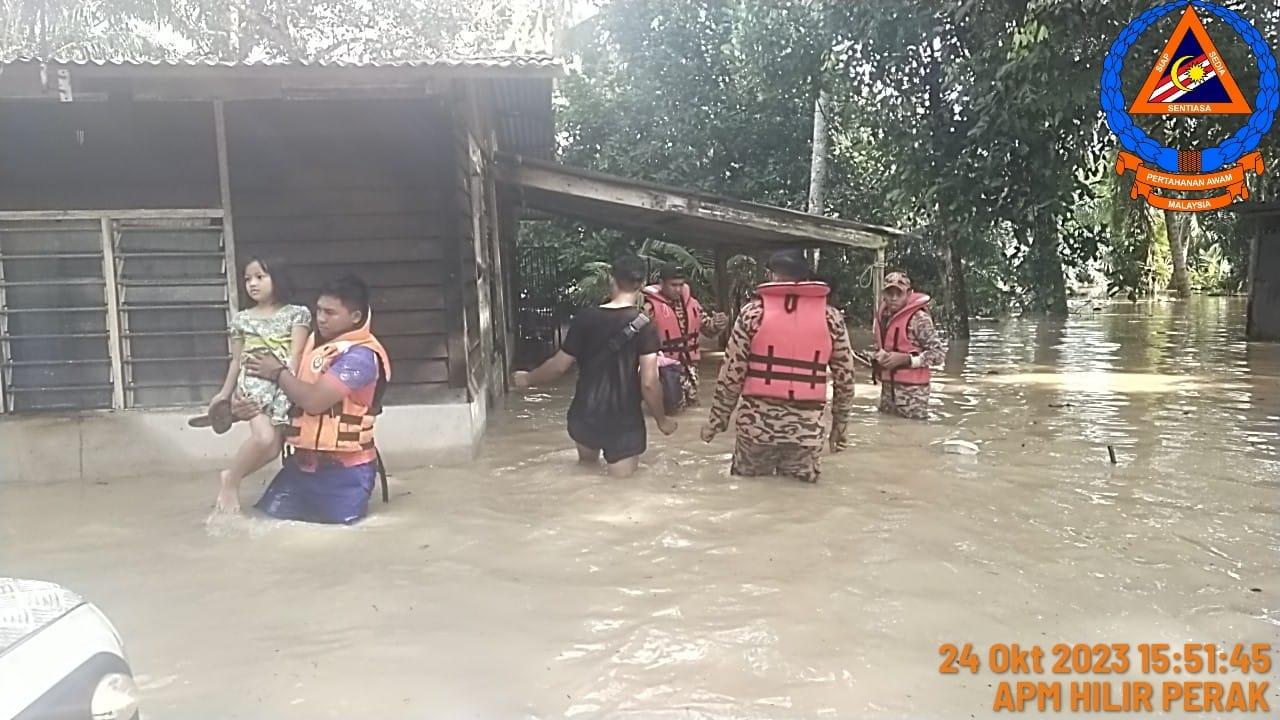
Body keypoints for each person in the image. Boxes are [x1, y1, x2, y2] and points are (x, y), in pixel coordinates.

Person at [231, 274, 391, 525]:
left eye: (330, 312)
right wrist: (244, 407)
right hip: (299, 469)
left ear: (355, 317)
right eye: (318, 310)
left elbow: (314, 402)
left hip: (346, 475)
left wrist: (276, 371)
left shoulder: (361, 357)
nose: (321, 318)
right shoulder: (308, 345)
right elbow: (277, 394)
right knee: (262, 521)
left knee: (338, 536)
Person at [699, 250, 856, 483]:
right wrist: (840, 427)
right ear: (805, 279)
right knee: (799, 503)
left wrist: (716, 421)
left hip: (756, 429)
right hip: (806, 432)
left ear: (772, 276)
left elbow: (731, 374)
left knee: (748, 493)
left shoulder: (753, 314)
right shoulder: (830, 318)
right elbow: (845, 378)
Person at [514, 256, 677, 478]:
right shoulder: (645, 326)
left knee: (586, 474)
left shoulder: (585, 319)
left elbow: (559, 366)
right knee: (621, 490)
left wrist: (527, 378)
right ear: (642, 284)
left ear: (612, 279)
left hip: (586, 413)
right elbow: (649, 383)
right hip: (623, 421)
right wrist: (662, 420)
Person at [196, 257, 312, 513]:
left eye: (260, 277)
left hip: (282, 383)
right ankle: (231, 481)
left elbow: (296, 355)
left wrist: (290, 385)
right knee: (263, 437)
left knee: (272, 450)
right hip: (254, 384)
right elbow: (236, 359)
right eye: (247, 279)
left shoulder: (298, 313)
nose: (252, 283)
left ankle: (231, 475)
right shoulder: (241, 319)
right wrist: (224, 394)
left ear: (277, 278)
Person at [640, 263, 728, 411]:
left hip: (690, 368)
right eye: (673, 285)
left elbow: (709, 330)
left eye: (681, 285)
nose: (678, 289)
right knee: (670, 408)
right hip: (665, 369)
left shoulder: (692, 305)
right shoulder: (649, 308)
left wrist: (719, 324)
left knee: (692, 407)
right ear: (661, 284)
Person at [872, 271, 945, 420]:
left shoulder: (919, 319)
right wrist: (877, 359)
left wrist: (907, 359)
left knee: (912, 437)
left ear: (909, 294)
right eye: (889, 293)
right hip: (887, 393)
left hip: (913, 396)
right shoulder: (882, 318)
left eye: (899, 294)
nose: (894, 298)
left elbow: (938, 355)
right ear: (883, 294)